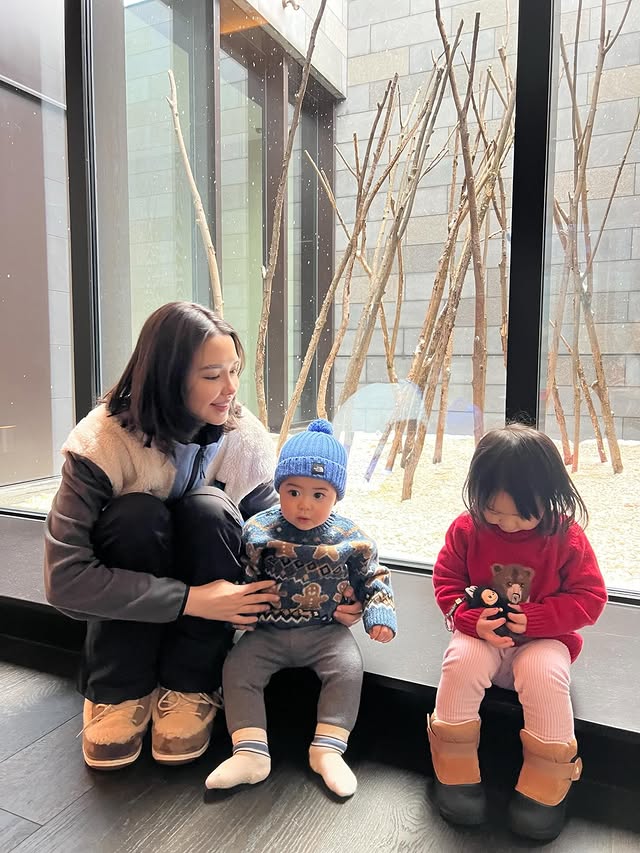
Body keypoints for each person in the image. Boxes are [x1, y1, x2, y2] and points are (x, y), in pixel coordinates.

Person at [43, 302, 363, 771]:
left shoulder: (241, 436)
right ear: (167, 377)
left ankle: (191, 686)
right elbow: (66, 582)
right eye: (213, 375)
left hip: (207, 614)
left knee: (208, 508)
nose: (231, 389)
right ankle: (117, 690)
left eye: (234, 371)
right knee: (135, 515)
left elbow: (288, 530)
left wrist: (341, 585)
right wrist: (192, 599)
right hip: (135, 602)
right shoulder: (101, 444)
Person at [428, 423, 607, 842]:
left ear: (551, 497)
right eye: (494, 511)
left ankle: (545, 787)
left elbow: (590, 597)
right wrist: (471, 621)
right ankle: (453, 772)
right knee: (460, 661)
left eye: (523, 514)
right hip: (482, 636)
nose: (507, 524)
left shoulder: (566, 537)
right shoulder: (466, 529)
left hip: (544, 641)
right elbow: (446, 583)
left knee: (544, 673)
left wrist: (540, 618)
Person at [205, 419, 397, 797]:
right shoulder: (258, 530)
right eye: (293, 491)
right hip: (267, 632)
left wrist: (379, 613)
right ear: (278, 488)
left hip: (325, 633)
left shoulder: (350, 538)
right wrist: (238, 606)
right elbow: (242, 570)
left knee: (348, 668)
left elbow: (374, 576)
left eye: (318, 494)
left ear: (336, 496)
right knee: (238, 668)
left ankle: (328, 749)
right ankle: (249, 751)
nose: (304, 504)